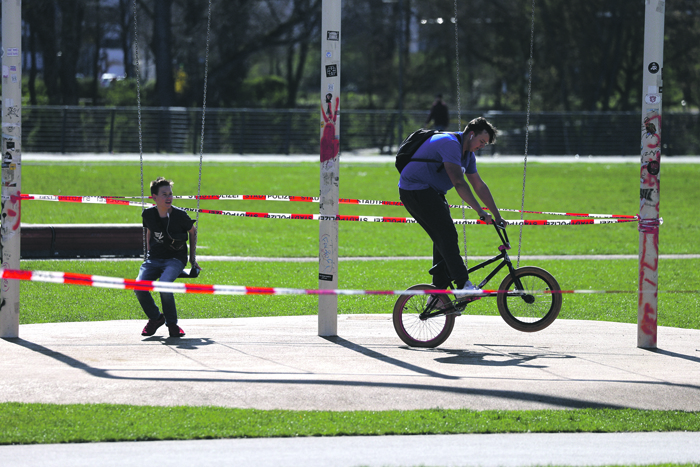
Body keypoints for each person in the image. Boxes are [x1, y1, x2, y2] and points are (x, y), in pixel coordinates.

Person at [398, 117, 505, 298]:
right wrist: (479, 211)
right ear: (471, 135)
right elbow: (458, 182)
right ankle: (462, 284)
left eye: (485, 144)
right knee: (447, 234)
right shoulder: (449, 144)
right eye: (481, 141)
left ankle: (437, 295)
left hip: (432, 192)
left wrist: (497, 214)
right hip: (415, 189)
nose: (482, 146)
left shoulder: (468, 155)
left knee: (443, 239)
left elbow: (479, 185)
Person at [136, 177, 200, 338]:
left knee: (164, 285)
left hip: (175, 259)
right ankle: (156, 318)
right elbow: (149, 232)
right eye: (164, 194)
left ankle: (172, 324)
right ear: (154, 197)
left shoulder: (180, 215)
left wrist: (192, 259)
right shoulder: (148, 214)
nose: (169, 197)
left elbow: (193, 231)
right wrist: (148, 255)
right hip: (153, 259)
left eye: (170, 194)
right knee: (138, 286)